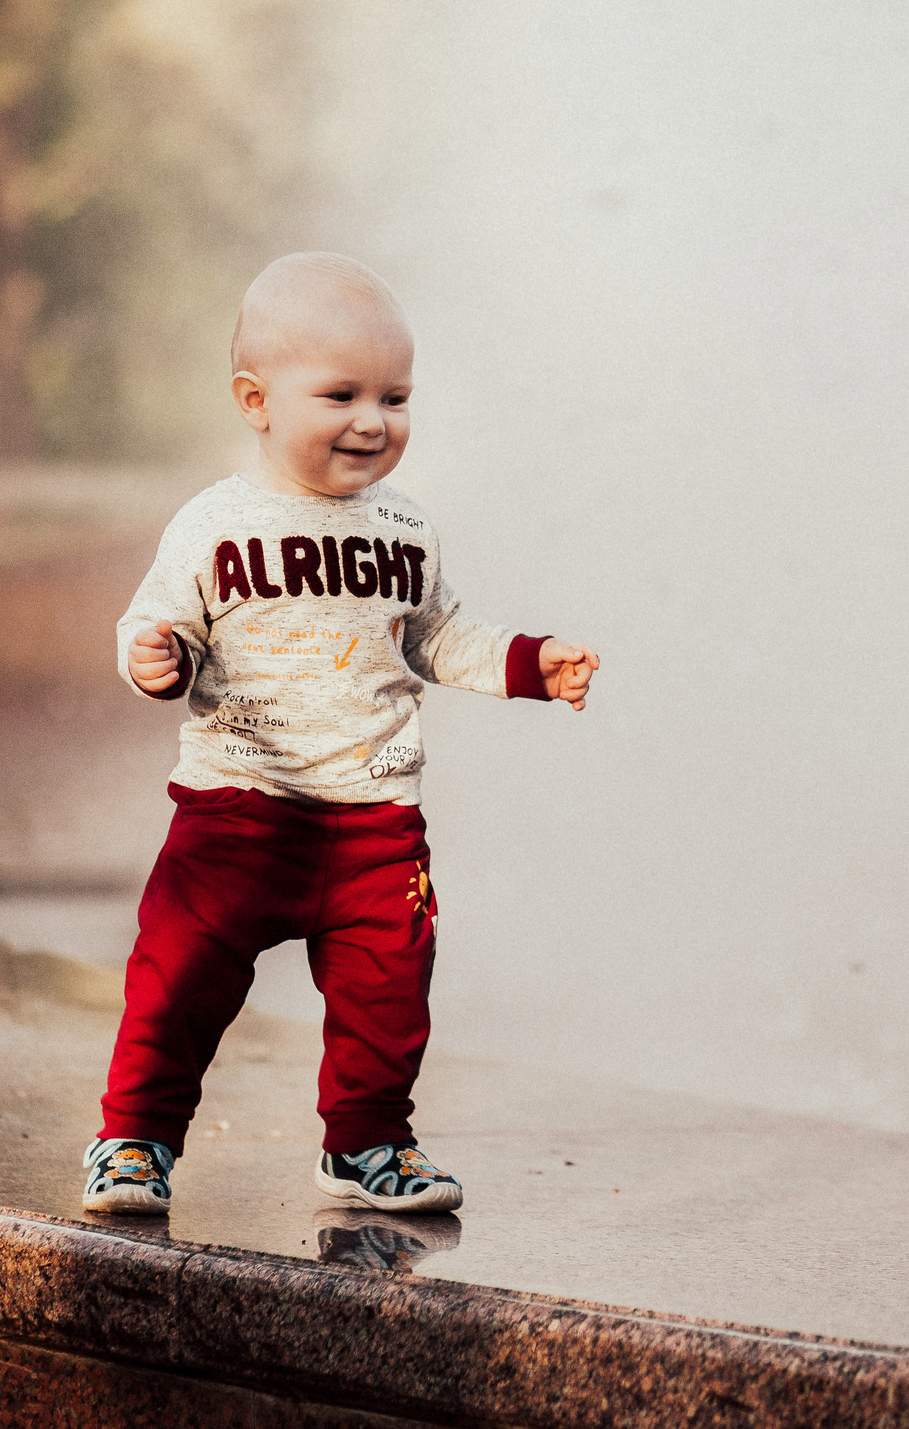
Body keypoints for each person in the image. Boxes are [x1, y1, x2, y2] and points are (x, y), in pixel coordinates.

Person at [82, 252, 598, 1217]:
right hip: (238, 812)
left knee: (390, 994)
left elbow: (437, 636)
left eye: (395, 397)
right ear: (255, 399)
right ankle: (133, 1141)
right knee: (177, 981)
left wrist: (531, 663)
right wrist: (155, 660)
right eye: (342, 394)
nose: (373, 420)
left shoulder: (406, 528)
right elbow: (159, 624)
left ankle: (366, 1145)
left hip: (373, 818)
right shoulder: (213, 523)